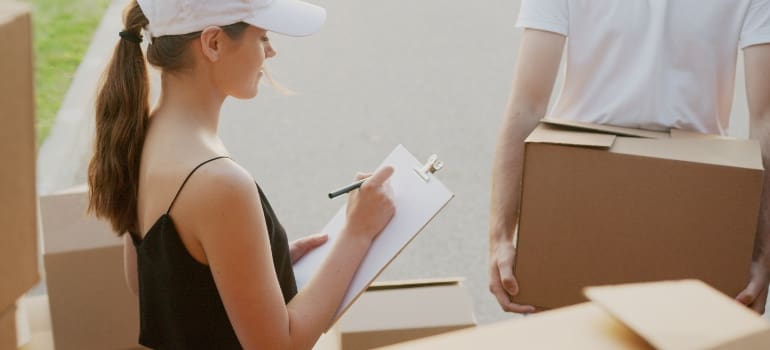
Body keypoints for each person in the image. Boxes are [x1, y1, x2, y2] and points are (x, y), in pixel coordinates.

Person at [87, 0, 396, 348]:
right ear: (213, 43)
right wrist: (358, 232)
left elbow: (145, 282)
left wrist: (254, 266)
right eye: (262, 37)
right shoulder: (217, 182)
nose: (272, 51)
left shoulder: (141, 137)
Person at [489, 0, 770, 314]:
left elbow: (527, 106)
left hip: (593, 189)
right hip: (678, 196)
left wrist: (763, 254)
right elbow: (525, 107)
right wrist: (500, 237)